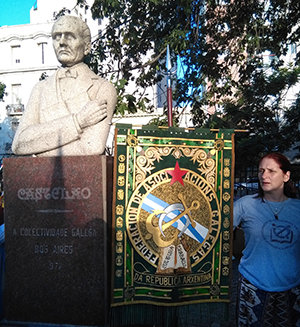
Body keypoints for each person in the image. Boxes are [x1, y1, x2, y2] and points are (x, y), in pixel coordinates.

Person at [12, 15, 117, 157]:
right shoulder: (40, 88)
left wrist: (39, 148)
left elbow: (91, 147)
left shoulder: (102, 88)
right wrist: (78, 121)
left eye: (69, 36)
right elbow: (19, 144)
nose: (61, 42)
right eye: (56, 37)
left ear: (87, 47)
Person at [234, 152, 300, 326]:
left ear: (286, 176)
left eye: (271, 171)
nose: (264, 176)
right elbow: (217, 230)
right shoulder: (245, 204)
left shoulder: (298, 208)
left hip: (293, 288)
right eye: (261, 171)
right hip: (253, 286)